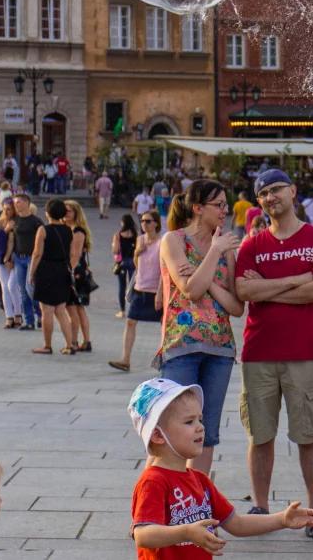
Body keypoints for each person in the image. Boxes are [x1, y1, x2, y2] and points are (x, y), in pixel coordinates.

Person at [234, 169, 313, 538]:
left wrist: (268, 289)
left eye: (276, 189)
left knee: (309, 434)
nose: (269, 197)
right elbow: (245, 292)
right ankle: (260, 508)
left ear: (293, 191)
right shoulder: (252, 245)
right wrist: (297, 280)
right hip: (259, 351)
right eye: (262, 193)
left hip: (305, 352)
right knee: (259, 434)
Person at [127, 379, 313, 558]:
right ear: (158, 436)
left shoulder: (200, 480)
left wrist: (282, 520)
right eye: (189, 421)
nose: (200, 427)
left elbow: (237, 524)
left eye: (200, 419)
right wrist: (186, 532)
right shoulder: (153, 481)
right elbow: (143, 534)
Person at [157, 180, 244, 475]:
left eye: (225, 204)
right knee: (172, 428)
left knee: (205, 432)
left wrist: (211, 281)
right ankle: (161, 501)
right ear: (197, 208)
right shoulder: (174, 240)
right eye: (218, 205)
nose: (225, 210)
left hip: (220, 348)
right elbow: (190, 289)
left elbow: (236, 306)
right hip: (181, 345)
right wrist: (214, 252)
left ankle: (197, 502)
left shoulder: (227, 248)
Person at [108, 210, 164, 373]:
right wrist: (137, 252)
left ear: (156, 223)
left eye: (148, 221)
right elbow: (136, 263)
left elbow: (164, 268)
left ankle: (163, 358)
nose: (144, 224)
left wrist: (160, 292)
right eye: (142, 221)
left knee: (164, 325)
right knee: (130, 321)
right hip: (140, 287)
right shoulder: (139, 239)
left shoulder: (163, 242)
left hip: (156, 290)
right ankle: (125, 359)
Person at [28, 199, 76, 355]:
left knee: (47, 310)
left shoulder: (43, 230)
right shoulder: (68, 230)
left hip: (46, 270)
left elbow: (37, 253)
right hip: (62, 269)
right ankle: (70, 344)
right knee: (61, 310)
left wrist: (31, 272)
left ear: (47, 213)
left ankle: (47, 345)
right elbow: (71, 253)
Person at [7, 195, 42, 332]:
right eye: (15, 203)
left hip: (31, 258)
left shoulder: (36, 221)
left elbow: (42, 241)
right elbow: (11, 240)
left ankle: (41, 314)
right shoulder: (14, 220)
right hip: (18, 258)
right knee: (22, 291)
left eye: (19, 202)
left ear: (27, 203)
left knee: (30, 288)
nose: (16, 205)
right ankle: (28, 321)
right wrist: (9, 257)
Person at [62, 200, 94, 352]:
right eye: (64, 210)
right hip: (77, 271)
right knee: (79, 308)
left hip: (76, 272)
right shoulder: (68, 229)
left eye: (69, 211)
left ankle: (74, 341)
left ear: (76, 213)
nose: (66, 213)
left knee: (73, 308)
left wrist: (69, 273)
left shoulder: (77, 231)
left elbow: (75, 255)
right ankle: (85, 341)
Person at [0, 200, 21, 329]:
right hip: (1, 259)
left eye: (9, 209)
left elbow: (19, 243)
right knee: (4, 288)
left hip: (15, 259)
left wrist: (11, 259)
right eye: (5, 209)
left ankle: (18, 314)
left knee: (12, 286)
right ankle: (9, 317)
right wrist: (6, 230)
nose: (7, 211)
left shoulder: (19, 222)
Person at [112, 214, 138, 318]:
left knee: (122, 286)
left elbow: (115, 250)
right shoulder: (135, 234)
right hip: (133, 262)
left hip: (122, 263)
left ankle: (122, 311)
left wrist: (114, 245)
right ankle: (133, 309)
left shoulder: (118, 235)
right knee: (133, 286)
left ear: (123, 223)